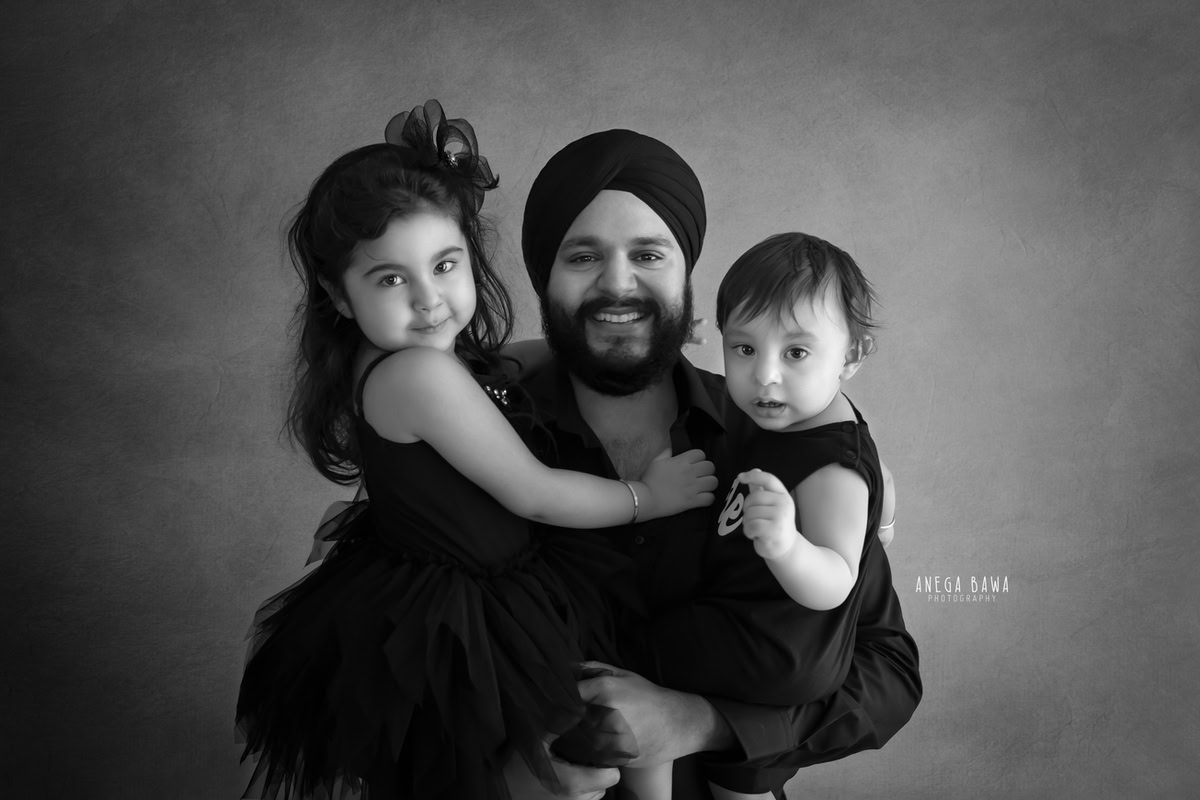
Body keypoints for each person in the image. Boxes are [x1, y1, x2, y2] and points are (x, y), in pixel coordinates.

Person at [234, 102, 718, 800]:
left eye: (445, 265)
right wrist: (650, 496)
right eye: (392, 279)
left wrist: (646, 334)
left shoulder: (405, 360)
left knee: (600, 736)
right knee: (572, 755)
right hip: (477, 602)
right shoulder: (421, 374)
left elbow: (496, 370)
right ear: (339, 296)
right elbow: (536, 493)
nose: (430, 300)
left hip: (460, 579)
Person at [510, 129, 922, 799]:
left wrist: (701, 724)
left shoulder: (774, 440)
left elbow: (886, 670)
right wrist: (509, 773)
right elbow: (397, 664)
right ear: (543, 278)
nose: (618, 284)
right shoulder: (482, 442)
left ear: (687, 278)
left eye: (649, 253)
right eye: (582, 256)